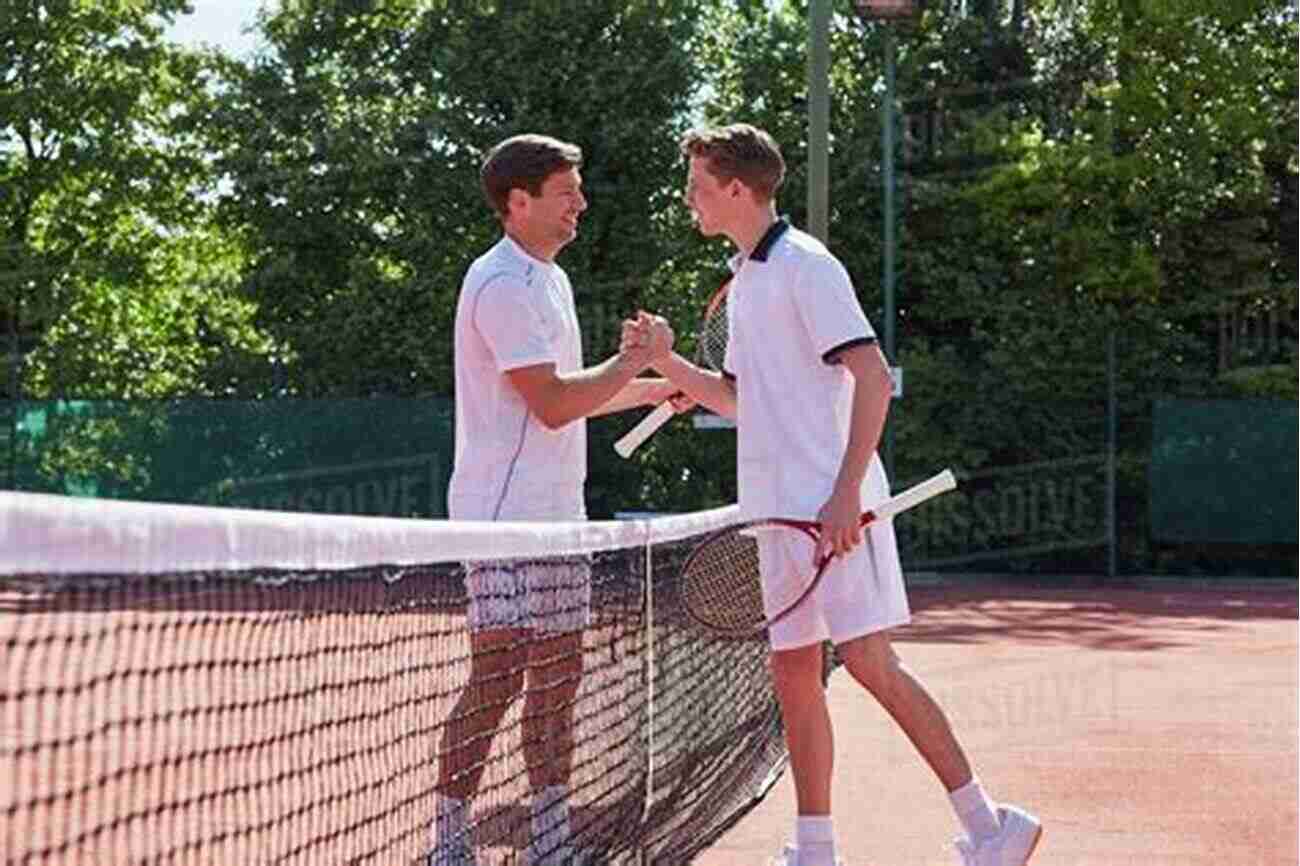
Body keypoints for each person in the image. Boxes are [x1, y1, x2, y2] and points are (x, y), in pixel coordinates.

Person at [627, 123, 1042, 866]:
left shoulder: (806, 267)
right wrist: (666, 361)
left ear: (736, 189)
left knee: (869, 662)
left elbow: (873, 377)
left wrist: (846, 493)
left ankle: (990, 828)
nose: (688, 197)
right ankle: (815, 848)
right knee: (792, 673)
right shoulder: (748, 277)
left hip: (832, 509)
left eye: (697, 184)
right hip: (778, 513)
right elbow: (737, 398)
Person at [432, 133, 676, 866]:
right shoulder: (500, 284)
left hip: (559, 516)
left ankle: (549, 835)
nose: (581, 204)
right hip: (501, 520)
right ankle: (449, 834)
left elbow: (579, 396)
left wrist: (664, 386)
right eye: (566, 192)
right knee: (499, 671)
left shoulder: (553, 280)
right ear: (518, 202)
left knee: (561, 675)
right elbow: (552, 404)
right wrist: (635, 360)